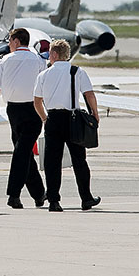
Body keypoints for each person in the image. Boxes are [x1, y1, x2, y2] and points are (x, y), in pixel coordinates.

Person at [0, 27, 47, 209]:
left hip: (15, 111)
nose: (9, 44)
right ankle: (39, 193)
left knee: (21, 151)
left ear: (17, 41)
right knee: (23, 151)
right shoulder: (38, 61)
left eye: (10, 41)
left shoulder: (4, 61)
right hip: (31, 109)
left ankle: (14, 194)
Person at [33, 39, 101, 212]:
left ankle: (54, 201)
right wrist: (95, 113)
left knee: (52, 162)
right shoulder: (77, 72)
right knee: (80, 160)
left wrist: (44, 118)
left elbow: (37, 101)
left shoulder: (44, 75)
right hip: (73, 120)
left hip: (53, 119)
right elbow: (89, 94)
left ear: (54, 54)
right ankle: (86, 198)